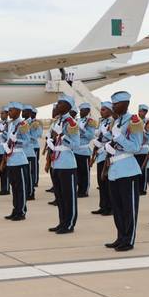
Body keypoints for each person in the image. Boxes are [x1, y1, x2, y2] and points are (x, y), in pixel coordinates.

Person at [104, 91, 144, 251]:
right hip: (114, 170)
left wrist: (119, 138)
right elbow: (111, 139)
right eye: (112, 104)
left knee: (129, 208)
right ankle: (120, 237)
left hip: (128, 170)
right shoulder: (116, 122)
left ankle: (129, 240)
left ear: (125, 104)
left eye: (116, 104)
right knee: (118, 208)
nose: (113, 107)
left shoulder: (134, 121)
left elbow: (136, 147)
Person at [47, 96, 80, 233]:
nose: (57, 105)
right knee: (60, 196)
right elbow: (53, 138)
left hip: (67, 163)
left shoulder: (71, 122)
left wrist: (63, 137)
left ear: (67, 106)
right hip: (56, 163)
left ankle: (69, 224)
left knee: (69, 197)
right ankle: (62, 222)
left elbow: (76, 145)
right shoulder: (58, 120)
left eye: (60, 103)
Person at [0, 102, 31, 221]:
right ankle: (15, 210)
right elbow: (7, 140)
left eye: (11, 110)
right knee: (14, 187)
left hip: (19, 160)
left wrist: (16, 140)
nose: (9, 113)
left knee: (21, 188)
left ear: (18, 111)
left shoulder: (23, 124)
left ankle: (21, 211)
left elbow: (27, 142)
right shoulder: (10, 124)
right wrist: (1, 137)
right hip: (11, 160)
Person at [90, 101, 114, 216]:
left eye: (104, 109)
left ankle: (110, 207)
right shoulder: (102, 122)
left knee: (107, 182)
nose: (101, 111)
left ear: (110, 111)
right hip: (101, 154)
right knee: (101, 182)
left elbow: (112, 136)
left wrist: (103, 138)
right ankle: (103, 206)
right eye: (101, 109)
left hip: (108, 155)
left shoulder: (112, 122)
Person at [73, 102, 96, 198]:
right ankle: (79, 189)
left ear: (88, 111)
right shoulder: (77, 120)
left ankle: (84, 191)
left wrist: (83, 130)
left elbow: (90, 136)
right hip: (75, 150)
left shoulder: (90, 122)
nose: (81, 112)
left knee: (85, 173)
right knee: (77, 172)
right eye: (80, 110)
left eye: (83, 110)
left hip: (84, 151)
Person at [135, 104, 149, 195]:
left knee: (144, 170)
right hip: (136, 150)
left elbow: (148, 136)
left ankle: (143, 188)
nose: (142, 113)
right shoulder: (135, 121)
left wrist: (143, 130)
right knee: (136, 170)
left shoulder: (148, 123)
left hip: (144, 150)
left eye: (144, 111)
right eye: (140, 111)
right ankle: (137, 188)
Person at [0, 106, 10, 195]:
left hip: (4, 149)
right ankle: (2, 188)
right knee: (1, 171)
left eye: (3, 113)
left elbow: (9, 136)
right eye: (0, 113)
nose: (1, 115)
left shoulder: (9, 124)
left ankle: (6, 188)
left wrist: (2, 133)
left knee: (5, 169)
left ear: (7, 114)